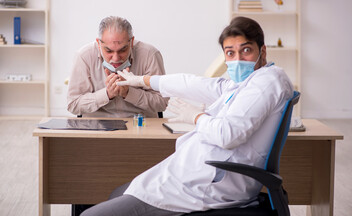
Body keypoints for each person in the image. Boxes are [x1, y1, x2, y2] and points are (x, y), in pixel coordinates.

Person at [81, 16, 294, 216]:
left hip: (211, 183)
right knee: (120, 192)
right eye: (230, 53)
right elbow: (192, 83)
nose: (237, 59)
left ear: (262, 51)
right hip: (198, 172)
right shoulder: (244, 84)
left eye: (245, 50)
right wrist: (142, 80)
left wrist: (196, 117)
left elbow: (228, 135)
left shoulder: (267, 82)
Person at [67, 16, 168, 118]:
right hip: (98, 127)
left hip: (141, 125)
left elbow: (162, 103)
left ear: (131, 42)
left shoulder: (150, 55)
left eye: (122, 50)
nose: (115, 58)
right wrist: (107, 94)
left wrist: (129, 93)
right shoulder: (84, 56)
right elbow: (73, 105)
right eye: (109, 51)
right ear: (98, 43)